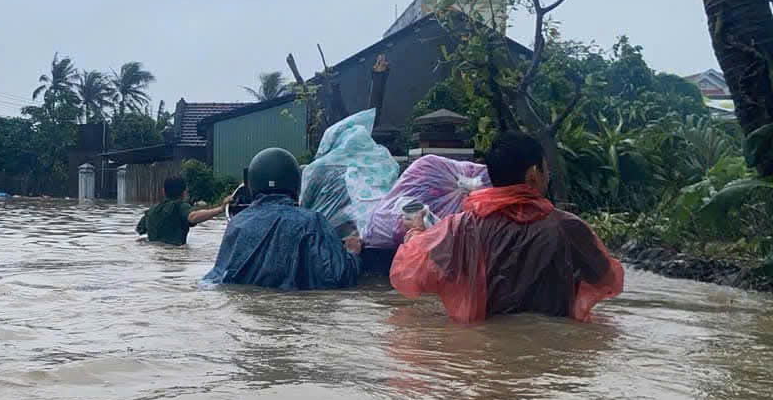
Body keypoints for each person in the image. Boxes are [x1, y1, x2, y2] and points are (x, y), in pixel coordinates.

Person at [390, 131, 624, 322]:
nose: (548, 176)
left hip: (481, 355)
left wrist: (417, 231)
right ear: (533, 175)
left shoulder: (459, 228)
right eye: (546, 169)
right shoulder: (569, 228)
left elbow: (414, 270)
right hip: (551, 358)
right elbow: (607, 280)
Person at [203, 147, 362, 289]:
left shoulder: (237, 223)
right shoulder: (311, 221)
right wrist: (352, 253)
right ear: (296, 182)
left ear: (252, 184)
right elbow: (336, 277)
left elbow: (218, 277)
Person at [136, 175, 228, 245]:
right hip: (176, 253)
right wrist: (221, 209)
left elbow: (140, 233)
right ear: (184, 192)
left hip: (155, 256)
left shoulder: (151, 211)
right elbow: (193, 217)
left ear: (163, 191)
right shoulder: (180, 206)